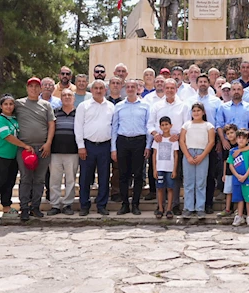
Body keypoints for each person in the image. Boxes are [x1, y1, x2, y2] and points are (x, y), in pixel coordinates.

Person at [13, 77, 55, 221]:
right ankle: (24, 207)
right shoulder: (18, 104)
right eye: (31, 86)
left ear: (41, 88)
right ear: (27, 88)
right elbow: (3, 113)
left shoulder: (46, 105)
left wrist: (48, 143)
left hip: (43, 147)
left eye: (37, 86)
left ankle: (35, 207)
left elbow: (51, 125)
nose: (34, 89)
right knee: (25, 178)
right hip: (25, 148)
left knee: (39, 179)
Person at [0, 94, 33, 226]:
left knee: (9, 182)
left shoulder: (13, 119)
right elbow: (7, 137)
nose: (8, 106)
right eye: (5, 104)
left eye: (11, 104)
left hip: (12, 157)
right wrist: (24, 146)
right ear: (1, 106)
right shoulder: (0, 120)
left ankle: (6, 207)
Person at [148, 79, 191, 214]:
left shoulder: (183, 106)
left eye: (172, 88)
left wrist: (178, 135)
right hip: (160, 144)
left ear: (176, 90)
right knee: (159, 175)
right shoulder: (157, 106)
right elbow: (150, 124)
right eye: (167, 88)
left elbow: (187, 124)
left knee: (175, 175)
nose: (170, 90)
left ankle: (174, 205)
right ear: (164, 89)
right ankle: (160, 206)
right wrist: (155, 134)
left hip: (177, 143)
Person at [74, 80, 115, 216]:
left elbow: (113, 128)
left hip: (105, 145)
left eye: (101, 88)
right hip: (88, 146)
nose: (98, 90)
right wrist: (81, 146)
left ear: (105, 90)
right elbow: (78, 127)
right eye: (95, 88)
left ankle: (101, 205)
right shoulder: (83, 106)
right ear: (91, 90)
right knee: (85, 177)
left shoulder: (111, 106)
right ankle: (84, 205)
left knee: (104, 177)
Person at [111, 79, 152, 216]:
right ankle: (125, 204)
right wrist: (113, 148)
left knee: (138, 175)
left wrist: (148, 146)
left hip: (139, 142)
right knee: (123, 175)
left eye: (133, 87)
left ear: (137, 88)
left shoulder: (145, 106)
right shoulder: (119, 106)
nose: (130, 89)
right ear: (125, 89)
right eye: (127, 87)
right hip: (123, 141)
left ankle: (135, 204)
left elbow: (148, 127)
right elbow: (114, 128)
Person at [185, 74, 222, 213]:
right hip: (192, 142)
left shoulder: (216, 101)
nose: (202, 84)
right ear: (196, 83)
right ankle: (191, 205)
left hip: (211, 141)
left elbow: (218, 121)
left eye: (205, 81)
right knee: (191, 178)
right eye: (200, 81)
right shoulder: (189, 101)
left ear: (208, 84)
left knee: (209, 175)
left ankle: (207, 204)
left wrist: (218, 140)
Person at [179, 103, 216, 218]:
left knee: (201, 182)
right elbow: (182, 141)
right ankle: (188, 207)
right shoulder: (186, 125)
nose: (196, 113)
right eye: (194, 111)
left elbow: (211, 142)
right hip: (189, 153)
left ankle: (200, 207)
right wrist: (188, 156)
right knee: (189, 182)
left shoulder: (208, 126)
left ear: (203, 112)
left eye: (198, 110)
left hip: (202, 153)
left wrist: (202, 155)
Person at [47, 89, 78, 216]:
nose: (66, 97)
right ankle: (54, 205)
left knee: (70, 180)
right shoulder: (54, 113)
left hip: (73, 151)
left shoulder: (79, 113)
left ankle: (67, 204)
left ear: (73, 98)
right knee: (54, 179)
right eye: (64, 95)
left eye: (69, 95)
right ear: (60, 98)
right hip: (55, 151)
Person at [229, 128, 249, 226]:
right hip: (236, 179)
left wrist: (245, 176)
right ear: (236, 139)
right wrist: (237, 175)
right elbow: (230, 164)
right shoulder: (232, 151)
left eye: (243, 138)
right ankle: (239, 216)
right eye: (239, 138)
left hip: (248, 179)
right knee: (239, 199)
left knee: (248, 199)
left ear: (247, 140)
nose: (241, 140)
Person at [152, 116, 179, 219]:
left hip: (170, 168)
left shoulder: (173, 139)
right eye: (162, 125)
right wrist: (154, 169)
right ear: (160, 127)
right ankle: (160, 208)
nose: (165, 127)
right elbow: (154, 154)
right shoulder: (158, 139)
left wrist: (174, 169)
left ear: (171, 125)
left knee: (170, 188)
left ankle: (169, 209)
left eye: (166, 124)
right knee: (159, 188)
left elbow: (176, 155)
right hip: (160, 168)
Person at [215, 83, 249, 150]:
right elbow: (219, 125)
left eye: (239, 89)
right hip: (228, 143)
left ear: (243, 92)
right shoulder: (223, 107)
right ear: (230, 92)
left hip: (244, 142)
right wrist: (223, 140)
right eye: (234, 89)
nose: (236, 92)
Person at [217, 124, 239, 218]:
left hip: (239, 172)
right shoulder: (226, 146)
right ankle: (227, 209)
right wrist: (224, 174)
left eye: (232, 133)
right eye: (228, 134)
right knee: (229, 191)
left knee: (238, 191)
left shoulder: (240, 144)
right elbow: (225, 160)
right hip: (229, 172)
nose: (230, 135)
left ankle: (238, 210)